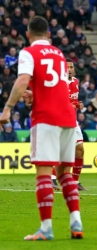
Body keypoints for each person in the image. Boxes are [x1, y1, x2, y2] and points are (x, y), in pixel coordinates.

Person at [0, 16, 83, 240]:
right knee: (65, 173)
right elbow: (56, 86)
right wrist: (34, 94)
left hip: (46, 119)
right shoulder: (59, 54)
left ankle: (46, 229)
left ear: (28, 34)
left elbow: (23, 79)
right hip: (68, 117)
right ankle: (76, 223)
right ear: (48, 35)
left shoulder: (28, 52)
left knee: (44, 175)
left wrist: (7, 108)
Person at [51, 58, 87, 191]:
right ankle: (52, 179)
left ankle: (75, 181)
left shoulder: (76, 82)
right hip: (58, 120)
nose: (70, 69)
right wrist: (75, 104)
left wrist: (78, 104)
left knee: (80, 149)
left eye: (71, 67)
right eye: (67, 67)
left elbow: (73, 101)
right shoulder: (57, 82)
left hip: (72, 120)